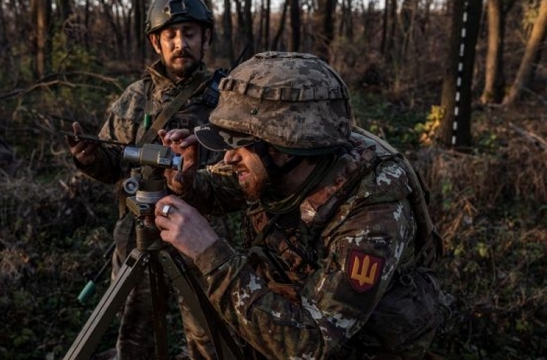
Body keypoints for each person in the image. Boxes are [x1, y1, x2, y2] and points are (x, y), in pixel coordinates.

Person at [153, 51, 453, 359]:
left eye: (240, 145)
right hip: (289, 304)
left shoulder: (373, 214)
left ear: (286, 149)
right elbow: (227, 184)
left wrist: (210, 253)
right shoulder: (281, 165)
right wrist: (187, 183)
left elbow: (311, 346)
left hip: (356, 343)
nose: (229, 157)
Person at [66, 0, 224, 359]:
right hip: (141, 230)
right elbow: (113, 165)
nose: (179, 42)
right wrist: (89, 158)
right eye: (170, 35)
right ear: (156, 43)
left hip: (203, 232)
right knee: (135, 332)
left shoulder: (227, 97)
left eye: (189, 33)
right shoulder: (136, 97)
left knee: (209, 332)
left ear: (205, 38)